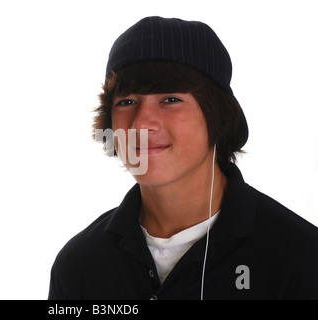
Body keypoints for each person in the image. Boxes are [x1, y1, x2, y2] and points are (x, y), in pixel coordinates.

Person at [48, 16, 318, 300]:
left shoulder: (300, 260)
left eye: (170, 99)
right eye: (126, 102)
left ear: (219, 116)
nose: (141, 124)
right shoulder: (79, 265)